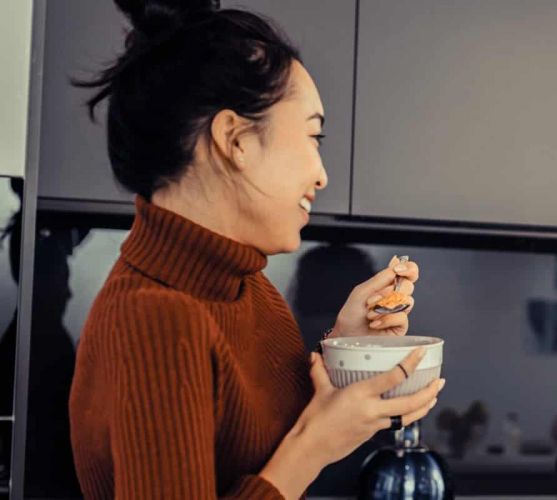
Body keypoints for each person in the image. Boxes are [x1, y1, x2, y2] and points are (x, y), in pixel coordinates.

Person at [67, 1, 442, 498]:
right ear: (235, 139)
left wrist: (344, 351)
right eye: (313, 135)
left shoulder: (250, 291)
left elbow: (256, 439)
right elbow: (294, 455)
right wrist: (313, 446)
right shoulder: (154, 316)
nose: (321, 173)